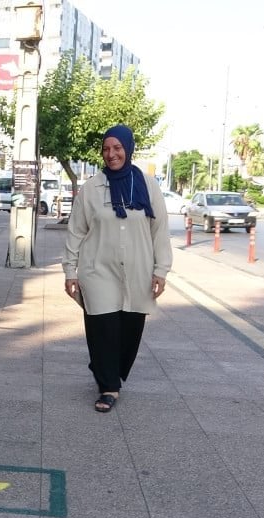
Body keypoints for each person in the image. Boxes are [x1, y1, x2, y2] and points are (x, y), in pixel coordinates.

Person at [63, 124, 172, 413]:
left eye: (117, 148)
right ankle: (108, 385)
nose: (111, 154)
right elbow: (75, 231)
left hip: (137, 270)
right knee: (102, 328)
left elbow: (159, 231)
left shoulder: (148, 186)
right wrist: (70, 271)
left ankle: (106, 366)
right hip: (97, 269)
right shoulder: (92, 188)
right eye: (106, 149)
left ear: (128, 148)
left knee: (131, 331)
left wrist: (161, 270)